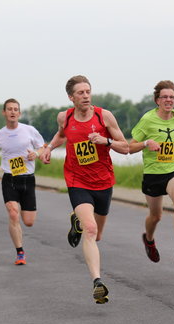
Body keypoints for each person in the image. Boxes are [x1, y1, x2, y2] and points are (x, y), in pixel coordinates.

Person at [41, 75, 129, 304]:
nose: (86, 95)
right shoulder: (65, 117)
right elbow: (62, 135)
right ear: (71, 97)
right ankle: (97, 281)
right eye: (80, 92)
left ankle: (77, 222)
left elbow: (126, 147)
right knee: (90, 230)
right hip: (77, 180)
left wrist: (105, 141)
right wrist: (49, 147)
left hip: (103, 182)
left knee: (97, 235)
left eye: (88, 91)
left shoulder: (104, 116)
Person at [129, 80, 174, 269]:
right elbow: (129, 148)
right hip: (153, 173)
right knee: (156, 216)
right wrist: (146, 143)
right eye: (164, 97)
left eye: (172, 97)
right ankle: (149, 239)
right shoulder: (147, 120)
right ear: (157, 100)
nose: (169, 100)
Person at [0, 98, 46, 266]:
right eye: (9, 109)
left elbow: (43, 147)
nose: (12, 112)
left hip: (27, 179)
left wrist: (36, 153)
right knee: (13, 213)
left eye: (15, 109)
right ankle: (20, 252)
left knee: (28, 221)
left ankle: (19, 219)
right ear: (4, 113)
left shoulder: (29, 130)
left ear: (19, 113)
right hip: (9, 178)